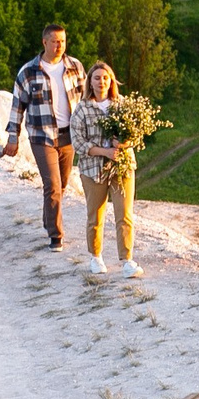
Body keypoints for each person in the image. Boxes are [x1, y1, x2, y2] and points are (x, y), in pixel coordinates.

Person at [1, 23, 83, 252]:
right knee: (53, 184)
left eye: (63, 41)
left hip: (69, 136)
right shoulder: (28, 72)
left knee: (62, 184)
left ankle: (49, 218)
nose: (59, 46)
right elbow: (17, 107)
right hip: (41, 136)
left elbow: (85, 100)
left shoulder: (75, 67)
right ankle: (56, 236)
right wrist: (13, 137)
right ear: (44, 42)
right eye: (55, 41)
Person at [69, 61, 142, 279]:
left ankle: (127, 260)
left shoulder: (122, 104)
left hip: (122, 166)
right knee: (96, 215)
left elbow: (136, 134)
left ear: (111, 81)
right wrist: (104, 151)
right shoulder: (82, 109)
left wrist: (124, 144)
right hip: (93, 169)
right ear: (90, 82)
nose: (102, 81)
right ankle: (96, 256)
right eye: (97, 78)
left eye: (105, 78)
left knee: (125, 214)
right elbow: (78, 143)